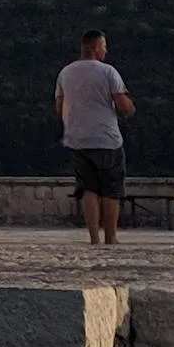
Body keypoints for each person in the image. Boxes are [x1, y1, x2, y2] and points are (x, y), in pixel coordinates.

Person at [54, 29, 135, 245]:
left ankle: (94, 238)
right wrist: (130, 107)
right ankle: (111, 236)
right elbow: (122, 104)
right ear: (94, 48)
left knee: (87, 188)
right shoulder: (108, 72)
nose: (106, 50)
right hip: (106, 139)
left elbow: (59, 105)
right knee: (111, 188)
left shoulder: (65, 73)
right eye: (104, 46)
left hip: (77, 139)